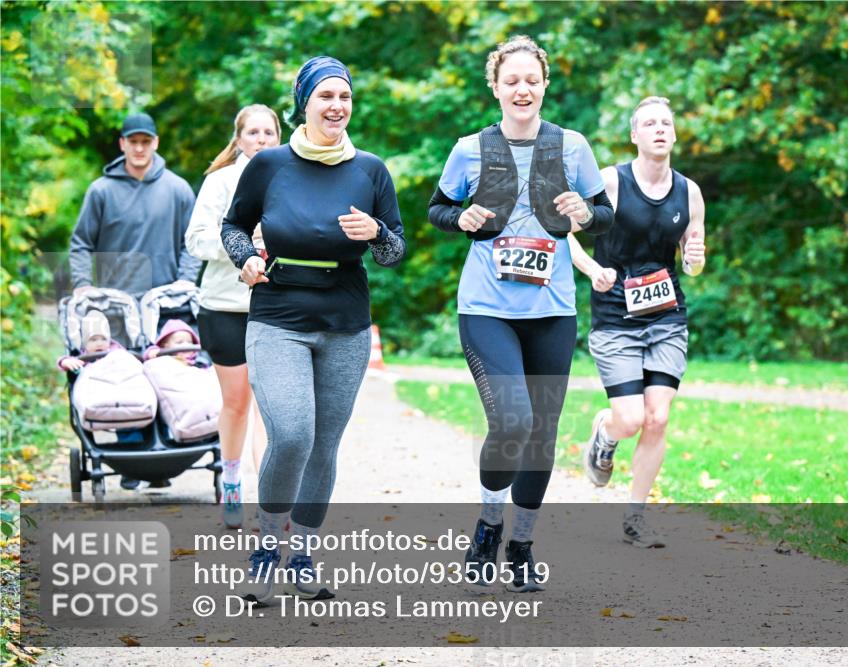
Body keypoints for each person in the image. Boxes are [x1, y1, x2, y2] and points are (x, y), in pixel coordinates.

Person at [428, 35, 614, 593]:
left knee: (543, 434)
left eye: (531, 79)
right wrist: (460, 219)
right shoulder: (469, 148)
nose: (522, 89)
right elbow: (438, 208)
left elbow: (603, 213)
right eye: (511, 80)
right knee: (512, 423)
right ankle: (488, 526)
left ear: (545, 84)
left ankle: (522, 544)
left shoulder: (573, 147)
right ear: (495, 87)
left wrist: (587, 211)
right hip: (486, 308)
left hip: (552, 310)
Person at [221, 56, 406, 603]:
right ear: (304, 103)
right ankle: (266, 548)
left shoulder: (370, 169)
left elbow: (394, 250)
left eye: (345, 97)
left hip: (345, 323)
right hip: (278, 316)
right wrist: (245, 260)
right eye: (326, 96)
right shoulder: (270, 165)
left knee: (325, 442)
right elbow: (233, 225)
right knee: (294, 433)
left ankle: (302, 553)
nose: (337, 106)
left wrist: (376, 232)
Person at [569, 96, 706, 548]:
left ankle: (636, 516)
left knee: (658, 417)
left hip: (667, 315)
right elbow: (564, 234)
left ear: (674, 133)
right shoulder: (610, 182)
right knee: (629, 419)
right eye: (649, 123)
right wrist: (593, 270)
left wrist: (694, 259)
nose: (659, 129)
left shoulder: (690, 192)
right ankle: (605, 435)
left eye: (666, 122)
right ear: (635, 136)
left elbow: (693, 260)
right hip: (614, 315)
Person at [185, 104, 280, 529]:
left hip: (277, 306)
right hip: (225, 306)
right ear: (239, 139)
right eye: (253, 132)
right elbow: (196, 240)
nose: (261, 139)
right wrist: (242, 245)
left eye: (269, 132)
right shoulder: (220, 181)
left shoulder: (290, 176)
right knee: (238, 402)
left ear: (279, 137)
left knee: (273, 406)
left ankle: (272, 500)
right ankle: (231, 480)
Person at [69, 113, 200, 299]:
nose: (139, 148)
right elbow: (81, 244)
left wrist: (186, 279)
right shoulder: (101, 191)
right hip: (114, 300)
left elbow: (192, 242)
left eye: (146, 141)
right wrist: (82, 283)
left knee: (181, 330)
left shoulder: (178, 189)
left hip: (166, 300)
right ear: (122, 144)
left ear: (156, 143)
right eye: (133, 141)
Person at [57, 311, 123, 371]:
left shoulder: (116, 351)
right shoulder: (84, 356)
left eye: (104, 339)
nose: (99, 344)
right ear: (85, 344)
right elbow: (69, 360)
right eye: (93, 340)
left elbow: (128, 359)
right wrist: (65, 362)